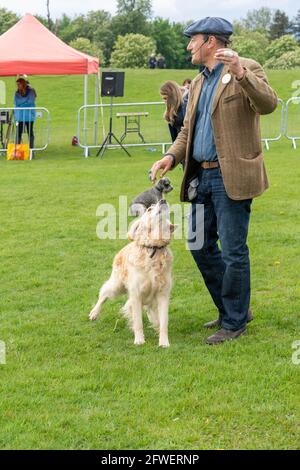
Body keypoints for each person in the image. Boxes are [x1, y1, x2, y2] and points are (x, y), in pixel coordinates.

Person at [151, 17, 278, 345]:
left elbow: (268, 104)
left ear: (210, 41)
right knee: (198, 244)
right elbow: (186, 131)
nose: (188, 46)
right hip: (201, 176)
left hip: (231, 174)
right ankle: (233, 309)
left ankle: (234, 322)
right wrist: (171, 157)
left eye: (193, 40)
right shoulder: (197, 83)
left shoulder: (246, 67)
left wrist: (240, 73)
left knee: (234, 250)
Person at [14, 78, 37, 149]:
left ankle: (31, 149)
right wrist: (24, 103)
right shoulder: (17, 92)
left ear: (23, 84)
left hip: (29, 116)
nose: (17, 86)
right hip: (20, 116)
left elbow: (30, 102)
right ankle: (17, 149)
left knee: (30, 132)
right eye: (17, 84)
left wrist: (21, 104)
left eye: (19, 84)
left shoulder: (31, 91)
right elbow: (16, 103)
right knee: (18, 133)